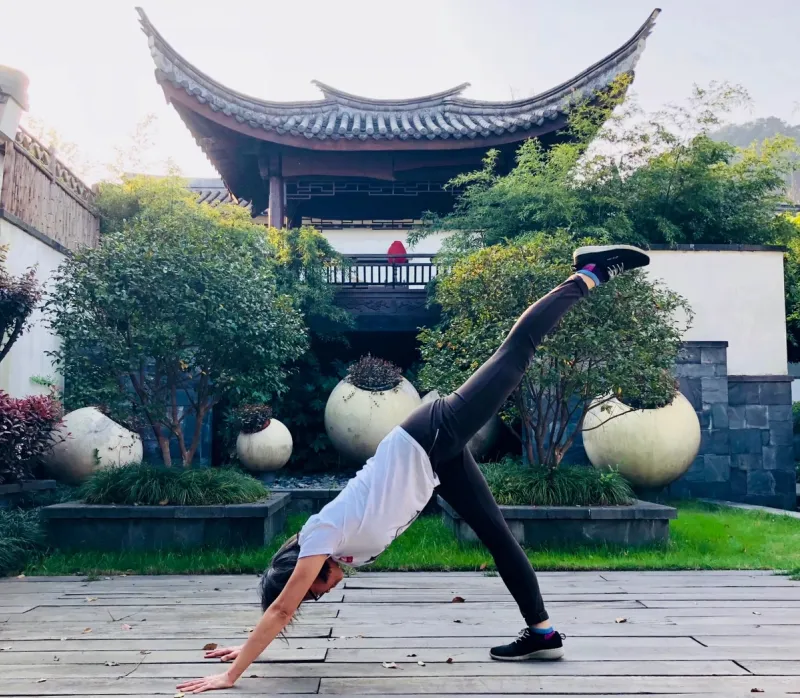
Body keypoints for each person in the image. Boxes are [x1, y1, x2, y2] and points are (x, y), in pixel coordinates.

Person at [176, 244, 650, 694]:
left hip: (430, 435)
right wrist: (247, 648)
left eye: (316, 592)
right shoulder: (338, 552)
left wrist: (232, 675)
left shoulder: (321, 537)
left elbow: (282, 607)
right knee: (497, 535)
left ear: (311, 570)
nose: (325, 592)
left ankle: (591, 271)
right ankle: (543, 633)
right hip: (434, 464)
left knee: (517, 350)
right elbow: (279, 610)